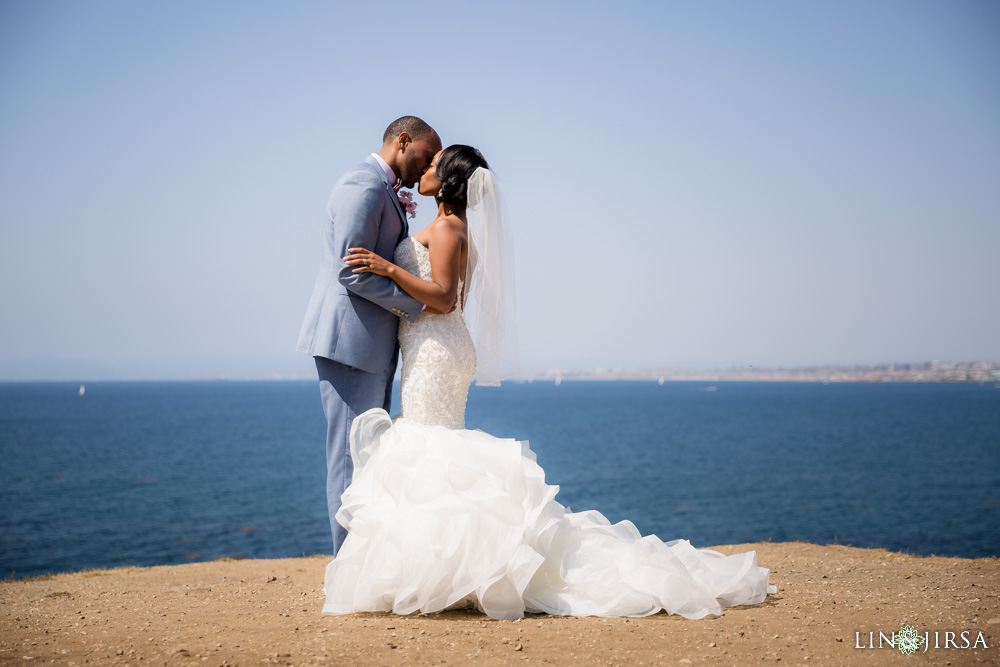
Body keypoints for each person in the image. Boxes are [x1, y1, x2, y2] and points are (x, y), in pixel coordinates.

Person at [323, 145, 777, 620]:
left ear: (451, 180)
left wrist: (386, 267)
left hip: (436, 348)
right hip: (440, 347)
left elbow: (441, 299)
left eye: (436, 166)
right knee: (437, 448)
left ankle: (444, 570)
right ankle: (448, 569)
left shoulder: (447, 228)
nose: (428, 170)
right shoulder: (458, 229)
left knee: (430, 446)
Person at [296, 116, 442, 555]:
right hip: (349, 344)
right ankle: (345, 568)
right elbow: (351, 271)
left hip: (369, 348)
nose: (430, 164)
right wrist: (416, 306)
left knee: (366, 457)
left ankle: (361, 564)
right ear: (402, 141)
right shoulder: (361, 185)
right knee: (347, 458)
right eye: (427, 153)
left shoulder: (385, 191)